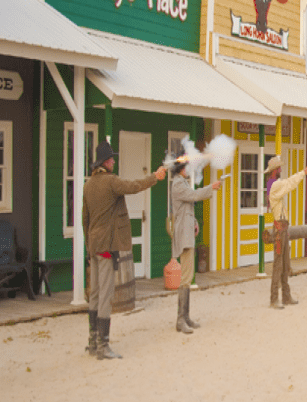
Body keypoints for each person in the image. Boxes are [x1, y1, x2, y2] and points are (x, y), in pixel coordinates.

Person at [82, 141, 166, 360]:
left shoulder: (88, 185)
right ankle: (103, 345)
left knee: (95, 293)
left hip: (94, 245)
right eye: (110, 159)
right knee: (106, 295)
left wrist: (88, 247)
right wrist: (154, 177)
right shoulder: (110, 181)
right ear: (103, 163)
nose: (113, 161)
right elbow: (134, 186)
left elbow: (85, 220)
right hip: (108, 246)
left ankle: (92, 341)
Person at [171, 159, 221, 333]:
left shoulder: (181, 183)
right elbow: (192, 196)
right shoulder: (178, 184)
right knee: (185, 277)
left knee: (188, 274)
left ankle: (185, 317)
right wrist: (211, 188)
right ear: (180, 169)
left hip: (187, 232)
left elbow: (188, 206)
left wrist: (195, 222)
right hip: (183, 235)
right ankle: (180, 320)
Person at [266, 155, 307, 309]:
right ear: (275, 170)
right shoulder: (274, 185)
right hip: (280, 229)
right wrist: (303, 173)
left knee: (285, 264)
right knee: (278, 264)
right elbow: (289, 183)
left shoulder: (273, 185)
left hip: (283, 228)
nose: (280, 169)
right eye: (279, 168)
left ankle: (286, 296)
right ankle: (274, 298)